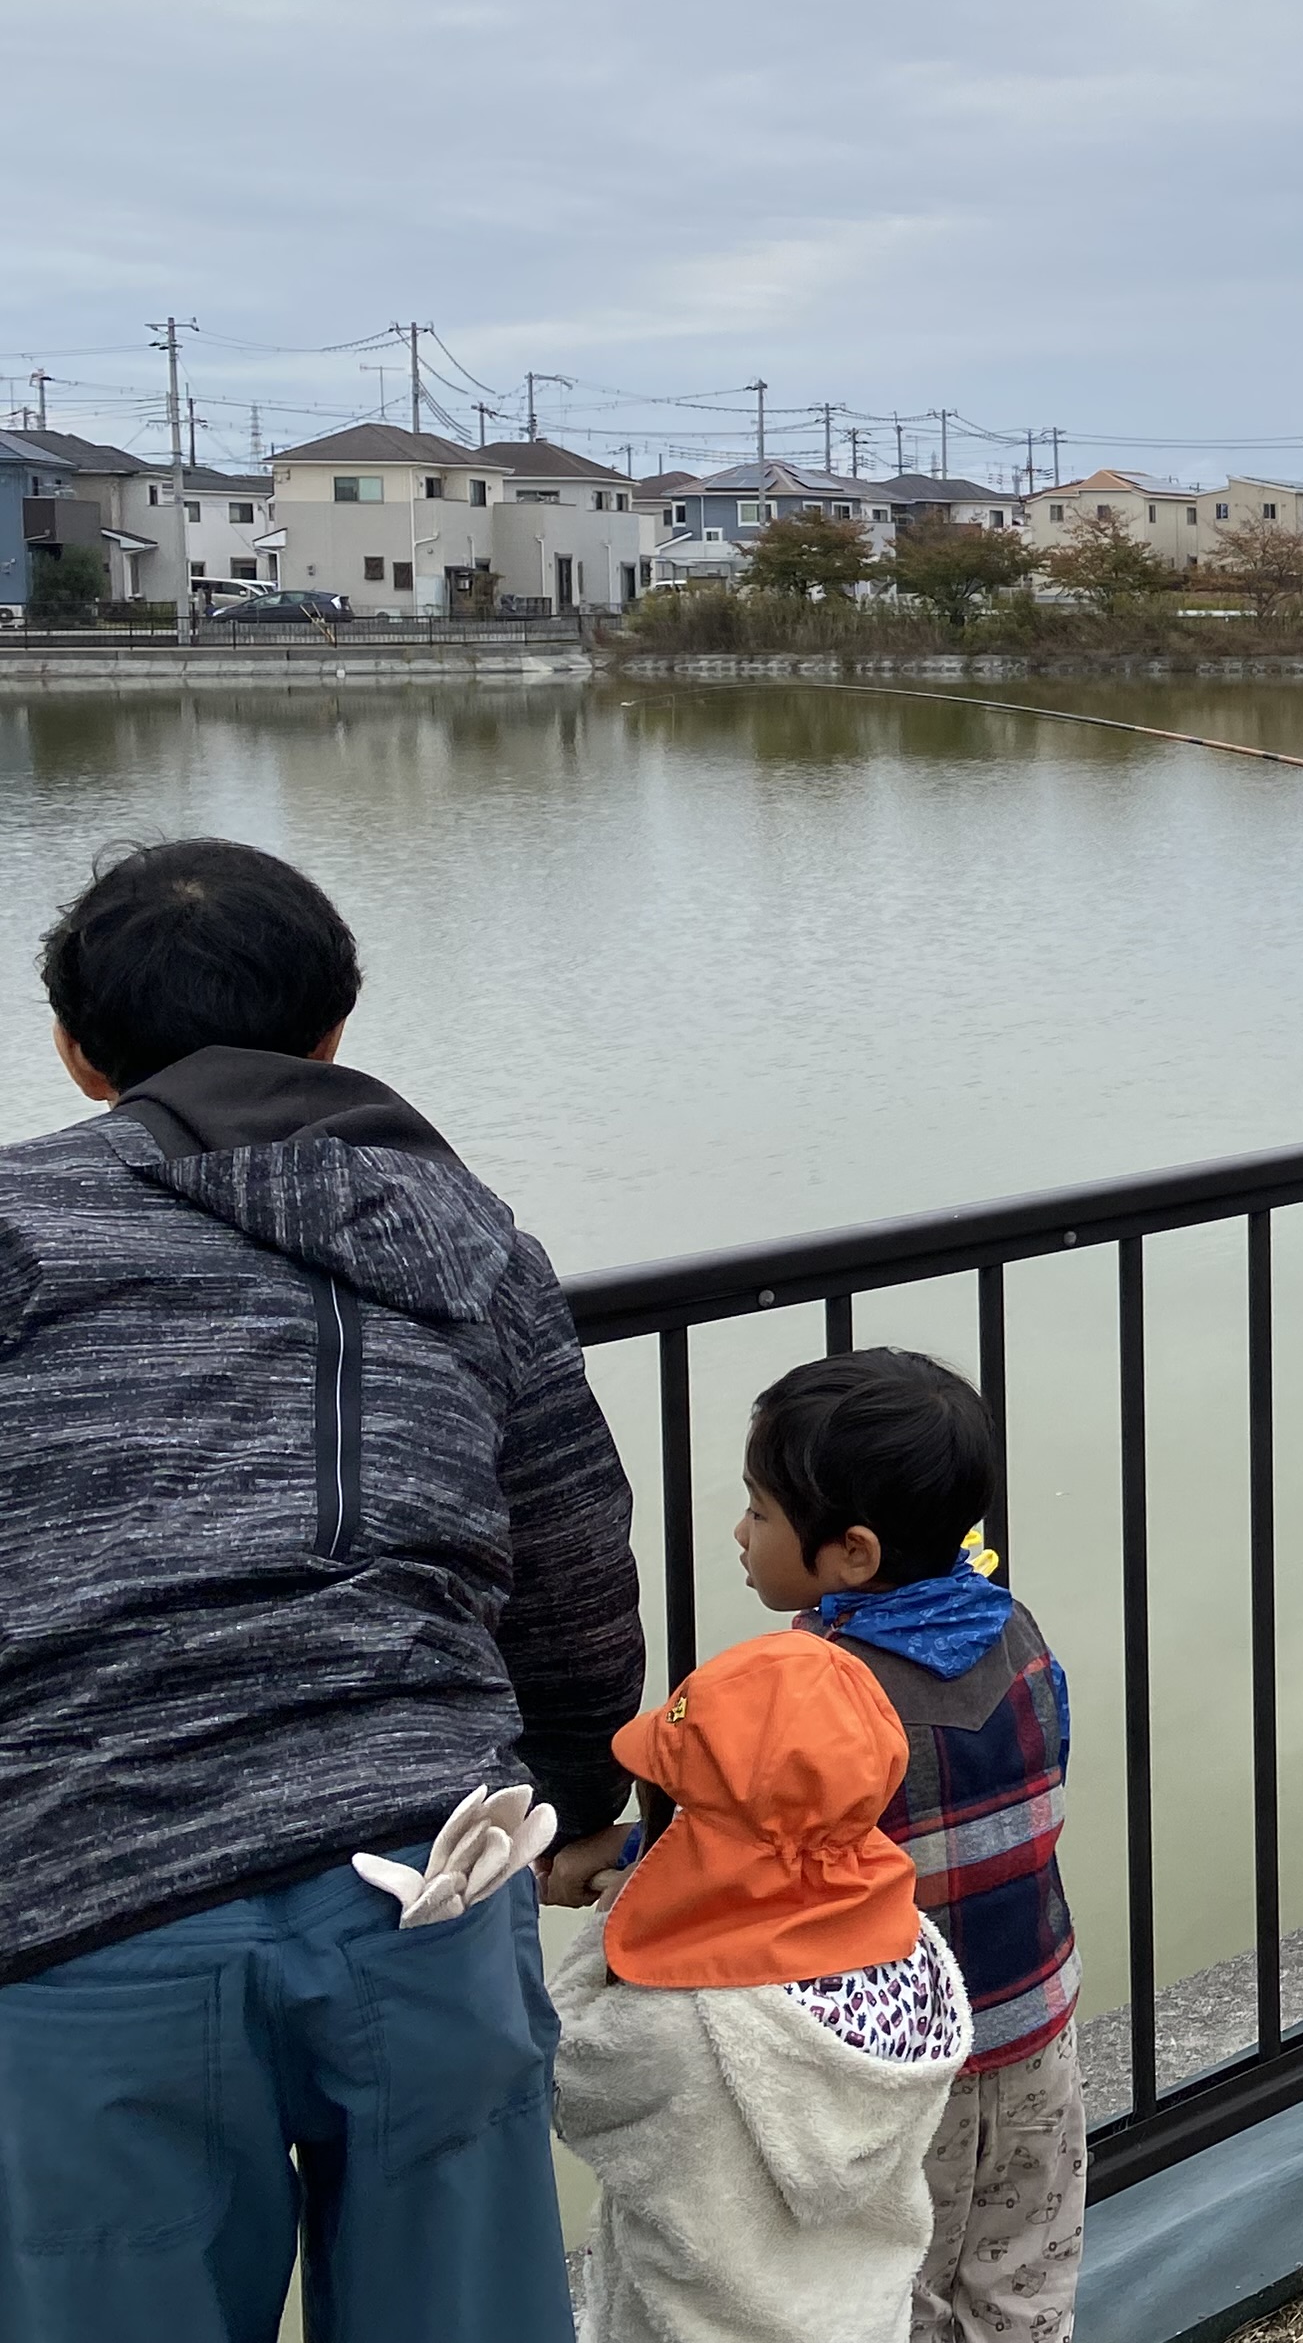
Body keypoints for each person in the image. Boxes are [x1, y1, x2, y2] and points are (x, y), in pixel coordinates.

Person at [0, 839, 642, 2343]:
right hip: (427, 1868)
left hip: (86, 1895)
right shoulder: (466, 1235)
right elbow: (571, 1559)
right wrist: (569, 1785)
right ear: (334, 1030)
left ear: (78, 1055)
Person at [747, 1354, 1086, 2342]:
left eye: (760, 1512)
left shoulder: (811, 1688)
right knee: (1023, 2277)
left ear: (850, 1552)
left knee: (889, 2295)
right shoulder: (1018, 1631)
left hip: (899, 2067)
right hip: (1036, 2030)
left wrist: (613, 1851)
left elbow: (732, 1852)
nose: (740, 1534)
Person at [552, 1631, 976, 2342]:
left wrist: (623, 1916)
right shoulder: (915, 1953)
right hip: (862, 2321)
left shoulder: (677, 2028)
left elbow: (557, 2070)